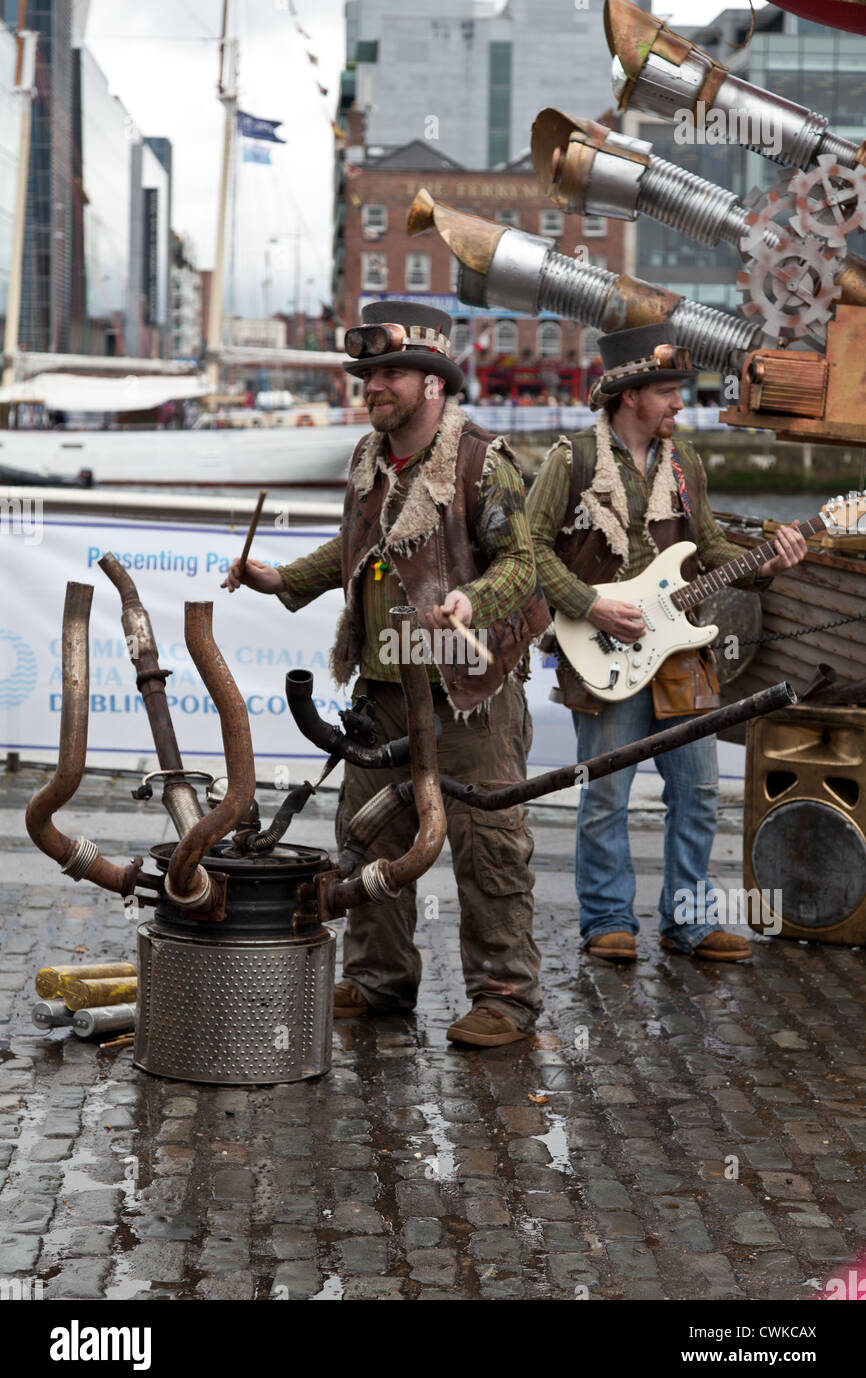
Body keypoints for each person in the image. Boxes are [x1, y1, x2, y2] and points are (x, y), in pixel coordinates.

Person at [223, 301, 550, 1045]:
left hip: (471, 696)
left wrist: (473, 599)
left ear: (433, 384)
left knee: (487, 847)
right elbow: (353, 550)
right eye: (367, 374)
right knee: (368, 845)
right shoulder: (372, 464)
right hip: (383, 696)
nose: (373, 386)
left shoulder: (481, 461)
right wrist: (283, 580)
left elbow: (523, 565)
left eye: (390, 373)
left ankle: (505, 998)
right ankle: (380, 981)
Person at [526, 323, 807, 964]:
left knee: (699, 790)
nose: (681, 402)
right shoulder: (571, 460)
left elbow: (707, 549)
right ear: (630, 396)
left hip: (681, 653)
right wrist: (591, 602)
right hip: (603, 649)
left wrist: (767, 561)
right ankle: (606, 921)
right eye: (669, 391)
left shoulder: (685, 465)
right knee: (606, 793)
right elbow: (531, 548)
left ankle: (690, 919)